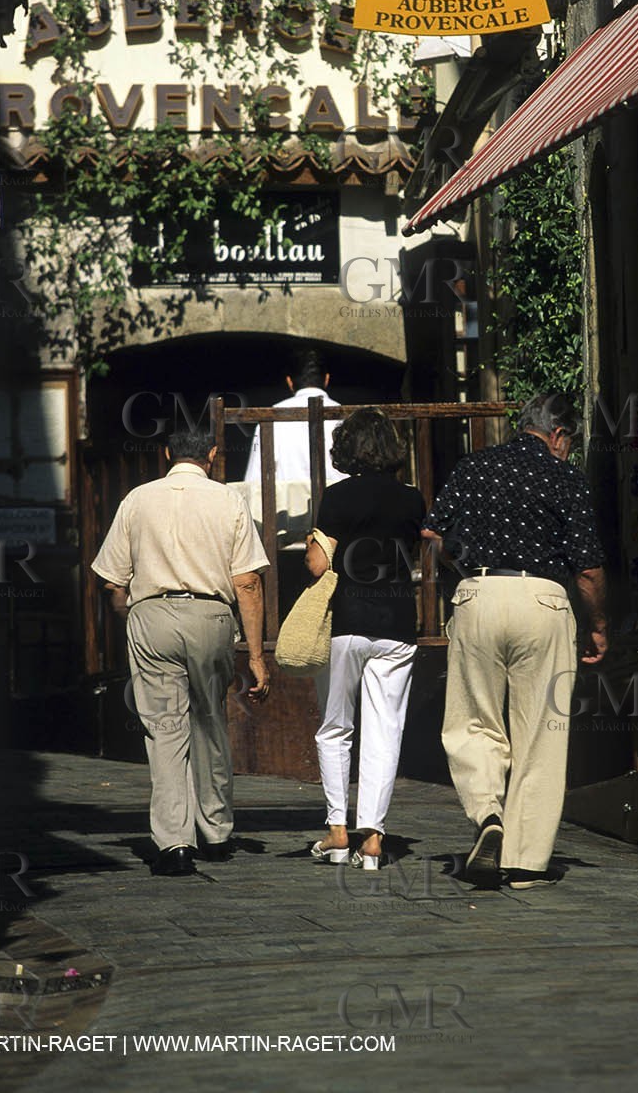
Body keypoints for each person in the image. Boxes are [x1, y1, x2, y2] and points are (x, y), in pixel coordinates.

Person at [423, 392, 608, 890]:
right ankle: (526, 864)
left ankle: (488, 814)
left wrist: (460, 566)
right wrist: (597, 626)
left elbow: (433, 536)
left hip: (479, 593)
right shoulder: (566, 477)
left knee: (473, 720)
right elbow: (588, 569)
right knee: (542, 733)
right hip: (543, 602)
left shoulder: (473, 466)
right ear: (559, 435)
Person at [91, 427, 271, 877]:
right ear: (211, 454)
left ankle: (173, 842)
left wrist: (132, 617)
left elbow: (113, 580)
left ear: (167, 454)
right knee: (210, 721)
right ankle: (215, 830)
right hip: (211, 615)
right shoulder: (229, 500)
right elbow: (247, 582)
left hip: (151, 614)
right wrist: (256, 655)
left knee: (165, 730)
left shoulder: (137, 499)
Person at [304, 408, 426, 870]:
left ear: (348, 448)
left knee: (336, 727)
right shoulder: (412, 500)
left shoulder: (337, 498)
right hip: (396, 624)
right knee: (384, 733)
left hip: (348, 622)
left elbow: (318, 564)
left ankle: (338, 831)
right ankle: (372, 839)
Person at [243, 347, 346, 487]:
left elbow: (254, 481)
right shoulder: (345, 417)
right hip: (337, 504)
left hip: (287, 507)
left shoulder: (271, 417)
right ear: (327, 379)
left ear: (289, 382)